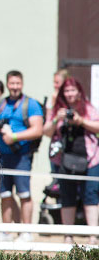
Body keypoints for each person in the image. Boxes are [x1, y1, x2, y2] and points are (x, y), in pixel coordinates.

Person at [42, 77, 99, 233]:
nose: (69, 93)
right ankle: (68, 235)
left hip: (90, 159)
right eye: (66, 90)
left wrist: (81, 121)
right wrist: (56, 120)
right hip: (64, 160)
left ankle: (92, 236)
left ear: (79, 92)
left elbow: (97, 126)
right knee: (67, 196)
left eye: (72, 90)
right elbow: (46, 132)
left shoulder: (88, 108)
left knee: (91, 195)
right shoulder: (57, 109)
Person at [0, 70, 44, 225]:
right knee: (5, 194)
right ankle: (7, 230)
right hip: (2, 156)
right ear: (7, 84)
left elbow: (37, 129)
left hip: (21, 156)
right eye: (12, 83)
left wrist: (14, 137)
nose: (15, 87)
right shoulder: (0, 104)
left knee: (24, 194)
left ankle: (26, 230)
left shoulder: (31, 104)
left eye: (18, 83)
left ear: (22, 84)